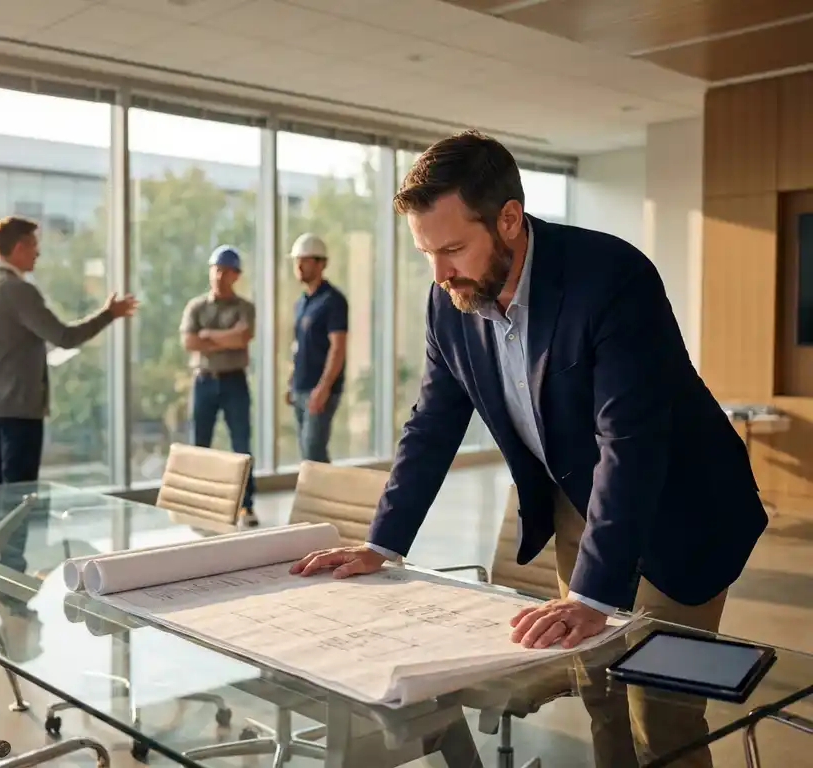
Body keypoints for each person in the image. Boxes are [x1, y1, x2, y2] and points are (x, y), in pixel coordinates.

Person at [291, 130, 767, 768]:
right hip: (578, 499)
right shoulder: (449, 300)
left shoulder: (612, 278)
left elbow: (631, 439)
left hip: (680, 506)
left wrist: (593, 596)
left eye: (453, 248)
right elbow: (432, 423)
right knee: (596, 685)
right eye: (427, 253)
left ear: (509, 218)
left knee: (661, 709)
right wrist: (382, 543)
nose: (439, 274)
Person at [0, 215, 137, 487]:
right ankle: (11, 533)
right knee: (19, 496)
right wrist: (108, 314)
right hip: (18, 410)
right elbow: (64, 337)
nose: (37, 253)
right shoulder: (17, 290)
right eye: (33, 245)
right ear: (18, 247)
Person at [180, 245, 257, 527]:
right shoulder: (196, 306)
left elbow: (242, 339)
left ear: (236, 275)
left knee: (242, 445)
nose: (219, 275)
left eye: (226, 270)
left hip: (234, 381)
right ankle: (199, 507)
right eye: (216, 269)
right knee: (199, 445)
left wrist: (208, 335)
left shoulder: (245, 307)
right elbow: (189, 342)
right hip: (204, 381)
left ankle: (246, 506)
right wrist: (227, 336)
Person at [286, 233, 348, 463]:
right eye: (296, 260)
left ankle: (326, 498)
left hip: (320, 389)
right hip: (300, 387)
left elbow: (338, 348)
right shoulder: (302, 302)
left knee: (314, 452)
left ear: (321, 263)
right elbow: (299, 345)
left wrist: (323, 388)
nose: (299, 265)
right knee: (306, 452)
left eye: (305, 259)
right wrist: (291, 380)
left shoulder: (333, 300)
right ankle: (317, 498)